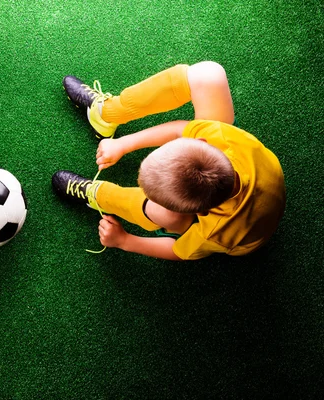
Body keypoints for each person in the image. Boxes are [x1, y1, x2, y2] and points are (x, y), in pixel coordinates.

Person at [51, 61, 286, 261]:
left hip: (245, 235)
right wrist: (123, 144)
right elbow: (178, 131)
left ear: (200, 214)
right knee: (208, 75)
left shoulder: (216, 232)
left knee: (164, 215)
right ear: (202, 143)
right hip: (258, 177)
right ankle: (104, 115)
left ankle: (98, 195)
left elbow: (177, 251)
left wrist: (124, 241)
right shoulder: (223, 138)